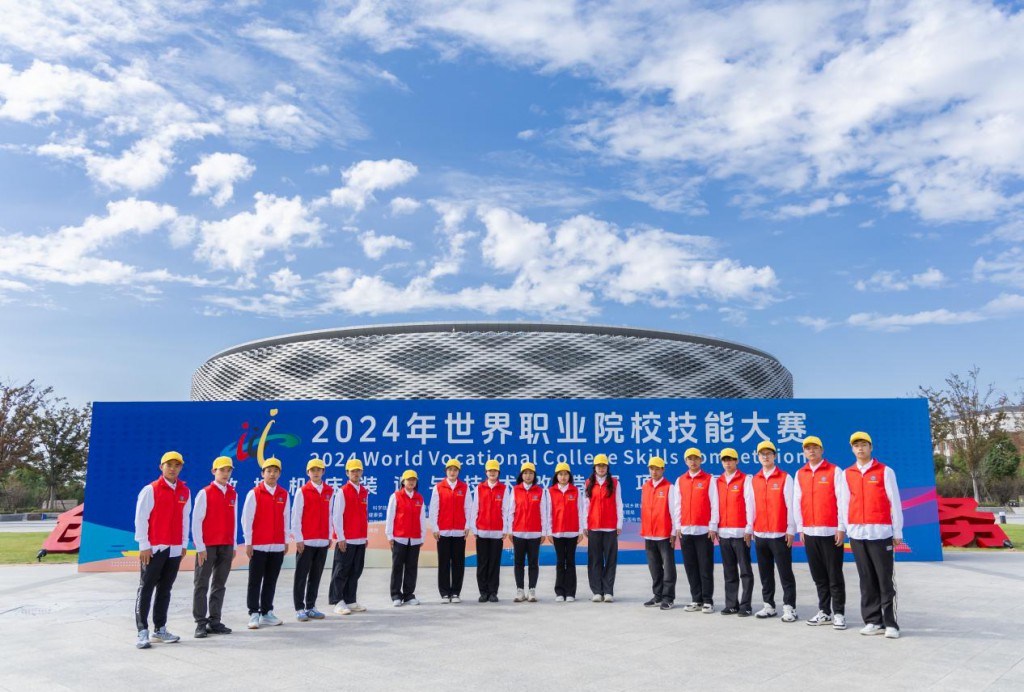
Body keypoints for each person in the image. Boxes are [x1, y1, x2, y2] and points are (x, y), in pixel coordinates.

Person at [841, 431, 904, 639]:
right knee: (866, 579)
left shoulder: (885, 471)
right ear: (852, 449)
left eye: (864, 444)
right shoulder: (847, 473)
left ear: (871, 447)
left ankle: (891, 623)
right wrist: (847, 528)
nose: (860, 448)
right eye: (856, 445)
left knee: (884, 579)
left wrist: (897, 530)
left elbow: (895, 502)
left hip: (880, 532)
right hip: (857, 534)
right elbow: (844, 503)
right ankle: (873, 621)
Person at [134, 450, 191, 649]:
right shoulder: (151, 490)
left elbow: (185, 519)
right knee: (146, 588)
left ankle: (160, 628)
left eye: (177, 465)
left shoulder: (185, 491)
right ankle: (142, 631)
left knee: (165, 589)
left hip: (174, 548)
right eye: (169, 465)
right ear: (161, 467)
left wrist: (183, 544)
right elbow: (141, 518)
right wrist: (144, 545)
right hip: (154, 548)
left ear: (181, 468)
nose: (173, 469)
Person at [794, 435, 847, 630]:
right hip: (809, 531)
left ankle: (839, 613)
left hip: (831, 532)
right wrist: (800, 528)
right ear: (804, 452)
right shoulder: (800, 473)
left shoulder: (834, 471)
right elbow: (797, 502)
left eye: (815, 447)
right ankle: (824, 611)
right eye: (808, 448)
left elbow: (842, 501)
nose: (811, 451)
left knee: (834, 574)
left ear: (822, 450)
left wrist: (841, 527)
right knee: (818, 575)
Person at [241, 456, 291, 630]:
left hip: (277, 545)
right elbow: (247, 519)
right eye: (269, 471)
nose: (272, 474)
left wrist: (285, 541)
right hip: (259, 545)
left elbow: (286, 518)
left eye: (275, 471)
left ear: (280, 474)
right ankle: (254, 613)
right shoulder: (254, 493)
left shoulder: (284, 494)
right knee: (255, 580)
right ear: (262, 473)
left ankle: (267, 612)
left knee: (271, 580)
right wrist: (248, 542)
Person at [751, 441, 798, 623]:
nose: (765, 457)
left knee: (785, 573)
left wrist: (790, 528)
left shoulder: (785, 478)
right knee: (765, 573)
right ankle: (768, 605)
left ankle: (789, 607)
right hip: (760, 533)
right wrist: (752, 527)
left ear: (775, 456)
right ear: (758, 457)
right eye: (762, 454)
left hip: (779, 534)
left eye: (769, 453)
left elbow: (791, 505)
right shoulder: (754, 479)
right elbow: (751, 506)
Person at [191, 455, 237, 639]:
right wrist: (200, 547)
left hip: (226, 545)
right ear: (214, 471)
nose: (225, 473)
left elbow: (233, 520)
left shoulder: (233, 493)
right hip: (207, 546)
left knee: (219, 584)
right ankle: (200, 623)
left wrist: (233, 545)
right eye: (222, 470)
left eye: (228, 470)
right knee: (201, 584)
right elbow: (196, 521)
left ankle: (215, 621)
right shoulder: (205, 493)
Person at [676, 447, 719, 614]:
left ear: (701, 460)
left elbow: (714, 503)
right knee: (691, 566)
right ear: (685, 461)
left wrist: (713, 526)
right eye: (690, 459)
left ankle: (708, 600)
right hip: (686, 530)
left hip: (704, 531)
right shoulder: (680, 480)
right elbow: (677, 505)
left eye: (696, 458)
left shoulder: (709, 479)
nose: (693, 461)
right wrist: (678, 526)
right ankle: (696, 599)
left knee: (705, 567)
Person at [292, 458, 333, 622]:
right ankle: (299, 608)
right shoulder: (302, 491)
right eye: (313, 470)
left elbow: (330, 515)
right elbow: (296, 517)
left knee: (316, 575)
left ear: (323, 472)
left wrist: (329, 536)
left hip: (322, 541)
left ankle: (311, 606)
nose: (316, 473)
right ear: (307, 472)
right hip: (306, 541)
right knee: (301, 576)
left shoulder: (329, 491)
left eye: (319, 470)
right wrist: (299, 538)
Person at [716, 448, 754, 617]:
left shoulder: (745, 479)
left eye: (731, 459)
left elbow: (750, 505)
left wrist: (749, 527)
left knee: (745, 571)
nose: (728, 462)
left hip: (740, 533)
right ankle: (731, 604)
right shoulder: (718, 482)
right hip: (724, 533)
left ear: (737, 461)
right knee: (729, 571)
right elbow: (715, 506)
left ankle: (746, 605)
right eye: (725, 460)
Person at [428, 458, 472, 603]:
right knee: (444, 563)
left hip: (459, 531)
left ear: (459, 472)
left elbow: (468, 508)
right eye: (450, 470)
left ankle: (456, 593)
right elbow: (434, 509)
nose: (452, 472)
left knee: (458, 563)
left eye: (455, 470)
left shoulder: (464, 487)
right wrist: (435, 527)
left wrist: (467, 526)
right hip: (443, 531)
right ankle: (445, 593)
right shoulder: (439, 487)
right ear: (446, 471)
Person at [329, 458, 369, 615]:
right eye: (353, 471)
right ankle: (337, 601)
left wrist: (365, 536)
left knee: (356, 570)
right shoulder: (343, 491)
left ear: (362, 472)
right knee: (341, 571)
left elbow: (364, 515)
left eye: (358, 470)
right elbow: (337, 516)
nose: (356, 473)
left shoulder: (364, 491)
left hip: (360, 538)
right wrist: (340, 537)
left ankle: (350, 600)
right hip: (346, 539)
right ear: (347, 473)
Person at [640, 456, 680, 610]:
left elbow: (674, 511)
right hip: (649, 534)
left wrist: (673, 532)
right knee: (654, 567)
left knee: (668, 568)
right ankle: (658, 596)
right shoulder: (645, 486)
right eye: (652, 468)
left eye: (657, 469)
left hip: (664, 534)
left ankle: (668, 598)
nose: (654, 471)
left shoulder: (669, 487)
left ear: (663, 470)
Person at [582, 453, 623, 603]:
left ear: (607, 467)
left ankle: (608, 591)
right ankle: (597, 591)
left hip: (610, 527)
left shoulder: (615, 483)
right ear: (594, 467)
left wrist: (619, 524)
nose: (601, 468)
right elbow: (586, 506)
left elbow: (619, 504)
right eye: (598, 466)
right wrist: (585, 525)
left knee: (610, 560)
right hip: (594, 527)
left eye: (604, 466)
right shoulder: (588, 483)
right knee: (595, 560)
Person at [508, 461, 550, 603]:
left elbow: (543, 513)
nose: (528, 476)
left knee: (533, 563)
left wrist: (543, 532)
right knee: (518, 563)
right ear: (521, 475)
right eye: (525, 473)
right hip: (518, 533)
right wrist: (510, 530)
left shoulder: (540, 491)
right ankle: (520, 590)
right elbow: (510, 512)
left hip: (535, 533)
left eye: (530, 473)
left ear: (534, 475)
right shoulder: (515, 490)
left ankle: (532, 590)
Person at [385, 470, 427, 606]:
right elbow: (390, 517)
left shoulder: (419, 498)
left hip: (414, 538)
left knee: (411, 567)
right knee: (397, 567)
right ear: (403, 482)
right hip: (399, 538)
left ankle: (409, 595)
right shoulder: (396, 496)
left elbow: (422, 518)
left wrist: (422, 536)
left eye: (414, 480)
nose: (411, 482)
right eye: (409, 480)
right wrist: (389, 535)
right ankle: (396, 595)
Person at [472, 459, 509, 603]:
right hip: (481, 531)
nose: (492, 473)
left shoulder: (504, 489)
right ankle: (483, 592)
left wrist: (505, 529)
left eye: (495, 471)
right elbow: (475, 508)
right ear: (486, 472)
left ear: (498, 473)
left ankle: (493, 592)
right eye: (490, 471)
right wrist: (474, 528)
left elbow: (506, 510)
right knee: (482, 563)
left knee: (494, 563)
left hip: (497, 532)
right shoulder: (479, 488)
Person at [548, 462, 584, 602]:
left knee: (570, 562)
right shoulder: (550, 491)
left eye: (565, 474)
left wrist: (580, 531)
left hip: (572, 532)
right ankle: (559, 592)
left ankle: (570, 592)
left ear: (569, 476)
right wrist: (549, 531)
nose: (563, 477)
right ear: (556, 476)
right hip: (557, 532)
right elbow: (548, 513)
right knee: (559, 562)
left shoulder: (575, 491)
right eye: (560, 474)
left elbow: (580, 512)